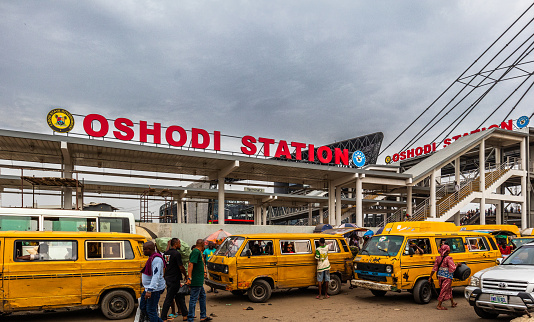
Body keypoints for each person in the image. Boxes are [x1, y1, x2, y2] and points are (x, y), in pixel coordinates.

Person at [161, 238, 188, 322]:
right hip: (174, 278)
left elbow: (164, 266)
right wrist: (186, 275)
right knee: (169, 298)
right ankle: (163, 318)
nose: (180, 245)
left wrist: (164, 276)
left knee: (180, 296)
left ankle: (185, 315)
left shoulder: (166, 254)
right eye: (179, 243)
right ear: (176, 244)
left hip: (168, 278)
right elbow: (180, 267)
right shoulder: (177, 254)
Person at [186, 239, 212, 322]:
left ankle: (203, 316)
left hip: (199, 280)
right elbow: (190, 264)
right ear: (203, 245)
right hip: (196, 280)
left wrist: (204, 272)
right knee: (193, 299)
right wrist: (189, 278)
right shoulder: (196, 252)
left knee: (202, 297)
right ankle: (190, 318)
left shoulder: (198, 252)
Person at [140, 241, 166, 322]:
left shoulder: (156, 260)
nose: (143, 251)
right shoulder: (151, 258)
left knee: (151, 310)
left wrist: (150, 290)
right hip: (148, 288)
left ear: (149, 249)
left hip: (154, 289)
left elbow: (156, 276)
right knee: (143, 307)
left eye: (144, 249)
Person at [428, 244, 458, 310]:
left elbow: (434, 268)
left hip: (440, 276)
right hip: (447, 277)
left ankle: (452, 303)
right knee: (444, 290)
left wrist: (430, 277)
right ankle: (439, 305)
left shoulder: (438, 258)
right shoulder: (448, 258)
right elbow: (453, 268)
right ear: (447, 250)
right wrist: (457, 265)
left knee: (449, 289)